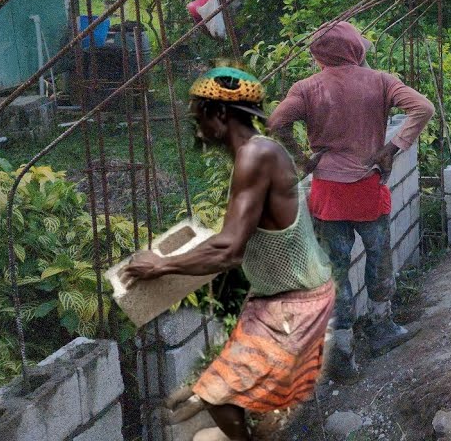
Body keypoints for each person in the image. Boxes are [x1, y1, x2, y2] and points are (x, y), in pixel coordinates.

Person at [121, 68, 334, 441]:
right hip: (283, 297)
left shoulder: (255, 157)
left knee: (219, 397)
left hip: (292, 304)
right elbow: (240, 238)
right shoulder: (264, 151)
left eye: (198, 115)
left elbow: (229, 248)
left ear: (220, 114)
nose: (195, 126)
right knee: (237, 392)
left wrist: (161, 265)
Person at [268, 21, 434, 380]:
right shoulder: (380, 80)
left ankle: (342, 350)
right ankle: (380, 326)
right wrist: (391, 148)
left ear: (320, 55)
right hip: (366, 190)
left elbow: (276, 122)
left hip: (328, 192)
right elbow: (423, 108)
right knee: (379, 255)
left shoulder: (308, 88)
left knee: (336, 270)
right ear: (354, 49)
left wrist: (301, 158)